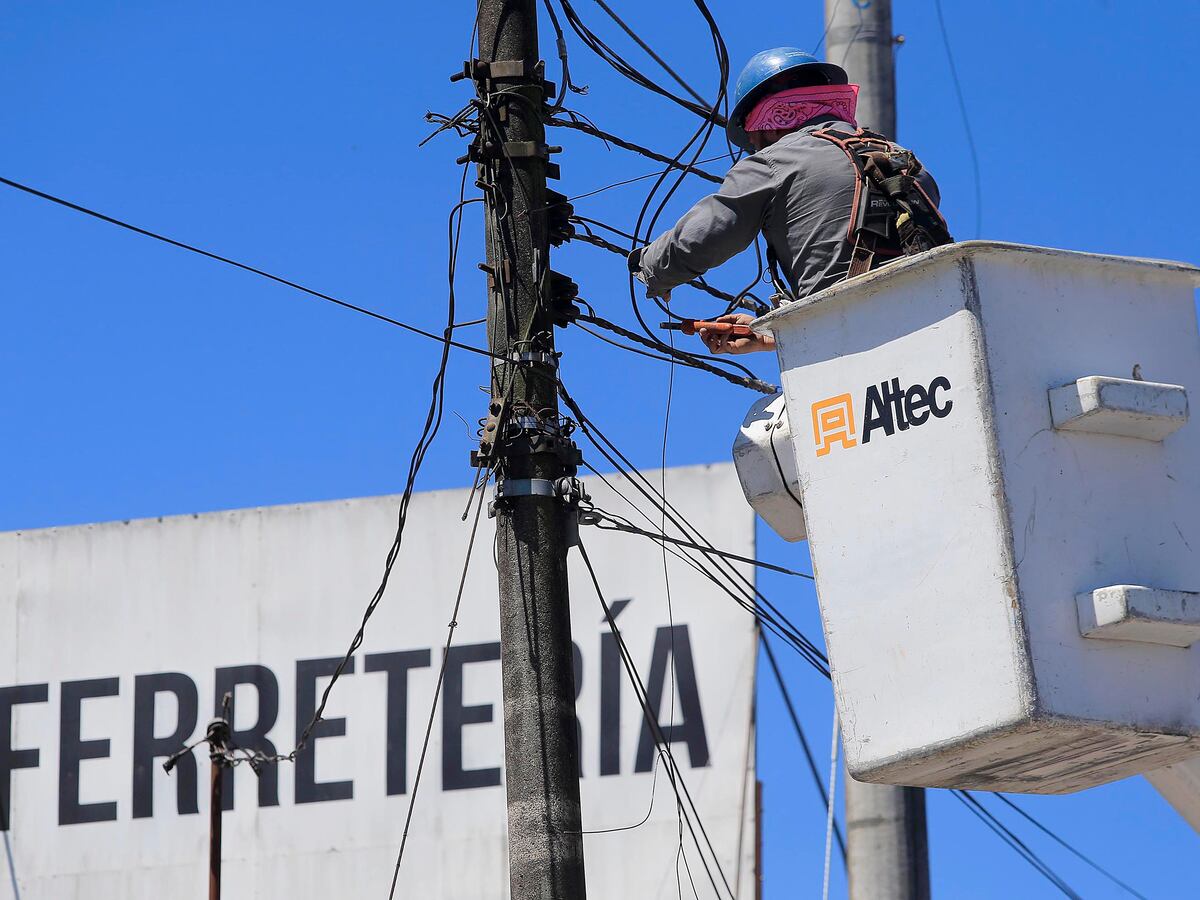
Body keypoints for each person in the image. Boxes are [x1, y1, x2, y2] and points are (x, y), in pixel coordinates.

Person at [628, 47, 950, 356]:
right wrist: (768, 334)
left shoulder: (775, 160)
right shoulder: (899, 157)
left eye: (752, 136)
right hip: (933, 331)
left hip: (852, 350)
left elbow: (711, 230)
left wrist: (651, 266)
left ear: (765, 118)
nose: (753, 145)